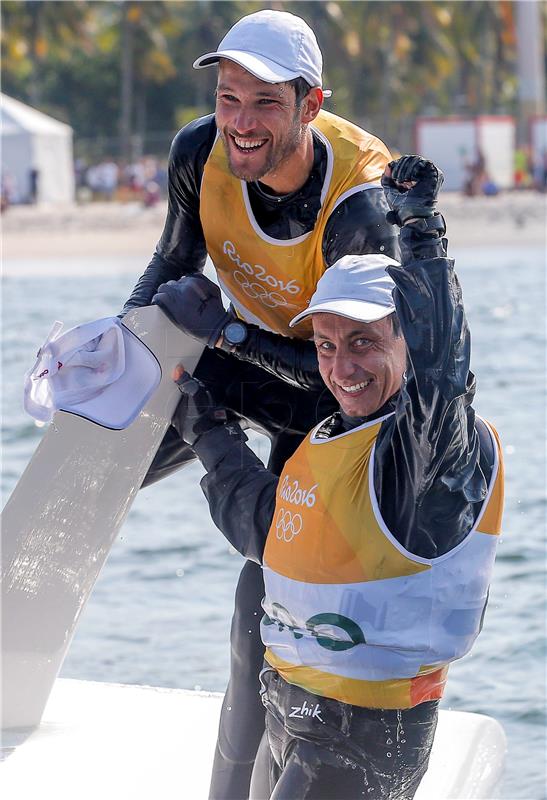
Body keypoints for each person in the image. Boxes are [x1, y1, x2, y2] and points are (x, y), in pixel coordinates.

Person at [121, 10, 398, 798]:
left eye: (265, 104)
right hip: (253, 362)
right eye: (228, 98)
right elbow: (169, 268)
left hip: (336, 409)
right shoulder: (198, 149)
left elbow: (344, 376)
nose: (239, 123)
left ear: (311, 107)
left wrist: (231, 331)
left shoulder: (360, 208)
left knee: (261, 605)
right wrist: (116, 347)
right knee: (120, 417)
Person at [167, 155, 505, 799]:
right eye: (326, 345)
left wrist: (423, 228)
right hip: (290, 717)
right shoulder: (331, 439)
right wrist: (209, 429)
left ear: (406, 339)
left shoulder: (431, 455)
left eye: (364, 342)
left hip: (364, 742)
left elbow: (442, 370)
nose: (342, 368)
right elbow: (268, 532)